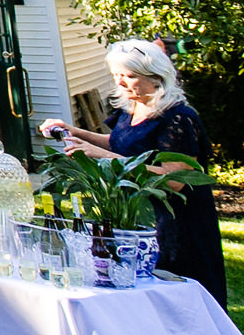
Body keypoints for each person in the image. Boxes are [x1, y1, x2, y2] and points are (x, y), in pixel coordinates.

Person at [39, 39, 226, 305]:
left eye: (130, 76)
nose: (122, 83)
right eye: (117, 76)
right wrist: (74, 131)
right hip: (139, 215)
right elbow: (120, 144)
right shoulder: (132, 108)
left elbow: (175, 181)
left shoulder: (178, 118)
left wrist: (108, 159)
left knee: (180, 296)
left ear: (156, 77)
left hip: (178, 221)